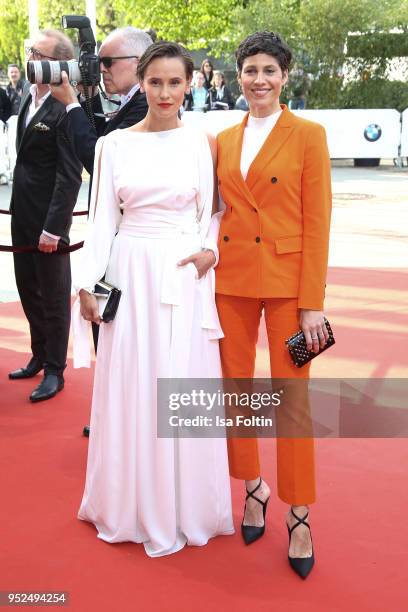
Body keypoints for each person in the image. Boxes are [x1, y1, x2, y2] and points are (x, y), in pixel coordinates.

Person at [73, 41, 234, 556]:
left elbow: (211, 213)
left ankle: (185, 505)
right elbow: (103, 222)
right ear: (141, 82)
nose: (165, 92)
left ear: (190, 84)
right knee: (132, 385)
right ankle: (129, 504)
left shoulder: (202, 143)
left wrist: (209, 251)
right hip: (131, 272)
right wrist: (87, 284)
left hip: (183, 277)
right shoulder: (113, 146)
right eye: (155, 81)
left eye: (175, 82)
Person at [215, 31, 332, 578]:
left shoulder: (309, 135)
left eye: (268, 70)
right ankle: (253, 488)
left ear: (285, 75)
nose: (258, 79)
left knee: (293, 399)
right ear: (237, 76)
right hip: (231, 283)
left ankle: (300, 514)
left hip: (290, 289)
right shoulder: (221, 140)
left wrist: (313, 304)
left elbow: (318, 224)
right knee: (234, 392)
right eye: (249, 69)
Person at [8, 30, 83, 402]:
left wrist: (54, 228)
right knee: (27, 290)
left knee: (53, 296)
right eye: (29, 50)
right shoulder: (29, 95)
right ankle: (38, 354)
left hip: (49, 222)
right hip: (20, 213)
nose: (29, 56)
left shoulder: (64, 106)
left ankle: (55, 369)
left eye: (36, 52)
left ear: (56, 62)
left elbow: (69, 175)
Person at [51, 27, 152, 175]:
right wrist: (89, 95)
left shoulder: (147, 104)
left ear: (139, 61)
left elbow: (99, 160)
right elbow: (101, 139)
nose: (101, 69)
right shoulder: (132, 99)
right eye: (99, 62)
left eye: (108, 62)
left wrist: (71, 104)